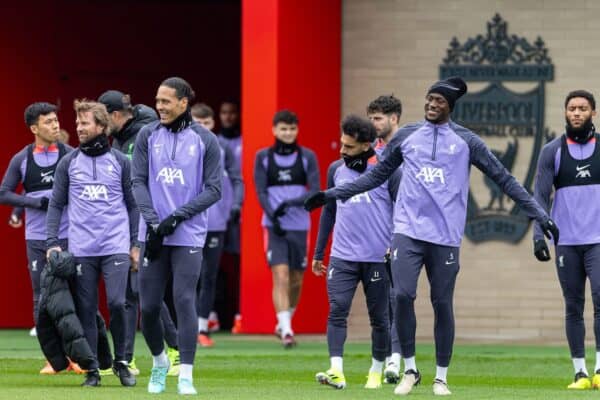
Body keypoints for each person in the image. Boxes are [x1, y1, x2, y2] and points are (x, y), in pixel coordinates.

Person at [305, 76, 559, 396]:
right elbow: (374, 179)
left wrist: (540, 214)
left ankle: (441, 376)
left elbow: (506, 180)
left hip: (445, 237)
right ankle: (410, 368)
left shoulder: (467, 141)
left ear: (449, 106)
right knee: (401, 295)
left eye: (438, 101)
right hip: (408, 231)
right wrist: (330, 194)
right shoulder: (407, 136)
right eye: (428, 99)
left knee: (442, 303)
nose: (431, 104)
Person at [131, 77, 222, 395]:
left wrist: (175, 218)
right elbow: (137, 182)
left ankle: (186, 375)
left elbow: (214, 190)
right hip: (153, 233)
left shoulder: (205, 140)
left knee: (185, 300)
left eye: (166, 101)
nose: (159, 106)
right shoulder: (146, 134)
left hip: (188, 235)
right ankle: (159, 363)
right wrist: (154, 222)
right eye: (157, 100)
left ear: (184, 103)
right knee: (151, 307)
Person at [46, 99, 138, 387]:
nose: (79, 128)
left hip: (116, 246)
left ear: (101, 126)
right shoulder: (68, 162)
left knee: (117, 302)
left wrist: (135, 244)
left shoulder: (121, 162)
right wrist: (52, 242)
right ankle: (92, 370)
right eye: (77, 123)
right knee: (86, 308)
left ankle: (123, 362)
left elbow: (134, 206)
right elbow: (56, 204)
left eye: (84, 123)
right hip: (82, 249)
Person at [313, 115, 400, 390]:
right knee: (337, 310)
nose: (342, 150)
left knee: (380, 319)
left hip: (377, 258)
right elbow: (329, 211)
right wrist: (319, 252)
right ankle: (336, 370)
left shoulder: (389, 171)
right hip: (342, 256)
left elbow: (402, 211)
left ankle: (375, 372)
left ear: (366, 145)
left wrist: (395, 245)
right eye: (341, 144)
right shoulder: (335, 169)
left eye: (349, 147)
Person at [98, 90, 181, 376]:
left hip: (147, 222)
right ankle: (128, 359)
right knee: (131, 292)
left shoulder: (148, 133)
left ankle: (176, 351)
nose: (97, 124)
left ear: (116, 115)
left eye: (101, 117)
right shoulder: (119, 138)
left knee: (141, 291)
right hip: (124, 222)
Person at [533, 90, 600, 390]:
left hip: (598, 241)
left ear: (593, 113)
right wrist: (538, 235)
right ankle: (580, 373)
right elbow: (540, 196)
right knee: (573, 306)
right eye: (571, 108)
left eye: (582, 108)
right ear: (565, 113)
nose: (576, 113)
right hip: (567, 243)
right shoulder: (552, 151)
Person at [0, 102, 73, 372]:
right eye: (48, 121)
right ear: (34, 128)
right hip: (37, 238)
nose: (55, 125)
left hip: (69, 235)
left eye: (56, 120)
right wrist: (34, 203)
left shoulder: (70, 154)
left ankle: (78, 356)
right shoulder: (22, 158)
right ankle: (54, 360)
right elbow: (4, 193)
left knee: (75, 296)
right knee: (41, 298)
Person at [253, 109, 320, 348]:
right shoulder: (263, 157)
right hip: (274, 226)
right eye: (283, 129)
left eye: (292, 129)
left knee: (296, 279)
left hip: (300, 225)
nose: (288, 133)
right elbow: (260, 191)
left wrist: (289, 204)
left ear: (297, 130)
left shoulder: (307, 156)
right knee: (279, 275)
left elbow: (315, 192)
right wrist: (274, 215)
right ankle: (288, 331)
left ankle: (284, 321)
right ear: (274, 130)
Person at [191, 103, 243, 347]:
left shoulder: (222, 147)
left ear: (213, 124)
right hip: (188, 222)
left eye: (207, 123)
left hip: (216, 222)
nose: (202, 128)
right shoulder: (181, 146)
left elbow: (236, 177)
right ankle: (187, 325)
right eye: (198, 123)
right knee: (187, 276)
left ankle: (202, 327)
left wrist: (236, 204)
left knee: (209, 275)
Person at [366, 94, 403, 383]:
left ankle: (396, 359)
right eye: (371, 118)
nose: (373, 123)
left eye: (378, 118)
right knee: (382, 303)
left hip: (404, 236)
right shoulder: (369, 153)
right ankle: (384, 360)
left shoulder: (409, 149)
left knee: (398, 298)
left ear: (394, 119)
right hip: (375, 239)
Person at [218, 99, 243, 333]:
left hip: (235, 214)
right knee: (209, 266)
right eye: (224, 112)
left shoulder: (243, 142)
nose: (228, 116)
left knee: (236, 265)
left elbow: (239, 178)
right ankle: (211, 315)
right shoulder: (213, 143)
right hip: (213, 214)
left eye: (232, 112)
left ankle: (239, 314)